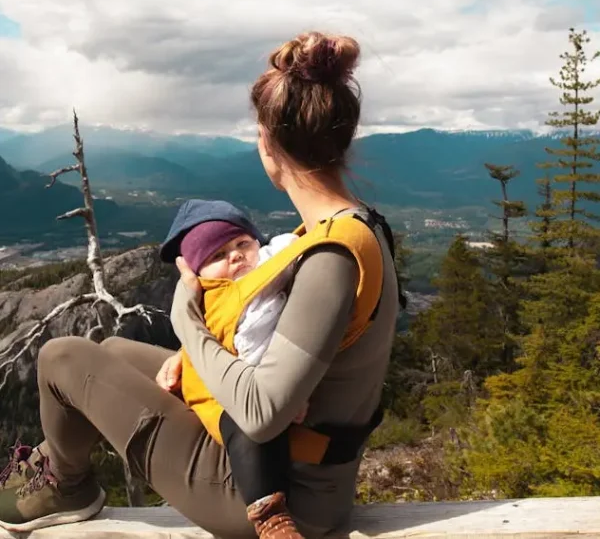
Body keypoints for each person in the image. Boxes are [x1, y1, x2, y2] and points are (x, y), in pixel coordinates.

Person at [0, 31, 400, 539]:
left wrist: (187, 320)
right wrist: (196, 358)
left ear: (267, 142)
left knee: (62, 357)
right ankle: (53, 469)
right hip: (297, 467)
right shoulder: (354, 228)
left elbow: (259, 414)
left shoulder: (330, 258)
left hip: (276, 496)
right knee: (117, 352)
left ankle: (65, 483)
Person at [158, 199, 307, 538]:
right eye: (217, 255)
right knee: (247, 426)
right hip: (222, 393)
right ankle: (269, 516)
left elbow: (293, 245)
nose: (236, 256)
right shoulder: (222, 297)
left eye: (243, 244)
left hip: (249, 384)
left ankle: (273, 516)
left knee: (255, 424)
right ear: (198, 273)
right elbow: (236, 340)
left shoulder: (267, 270)